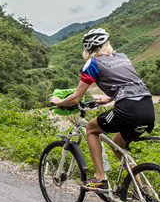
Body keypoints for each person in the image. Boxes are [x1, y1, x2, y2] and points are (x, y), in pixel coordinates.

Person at [48, 28, 154, 191]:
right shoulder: (123, 57)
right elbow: (129, 83)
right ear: (107, 44)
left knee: (91, 128)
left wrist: (59, 102)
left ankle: (100, 178)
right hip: (147, 107)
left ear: (88, 49)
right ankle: (142, 190)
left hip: (128, 109)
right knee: (118, 144)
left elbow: (76, 98)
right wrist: (110, 98)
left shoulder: (93, 63)